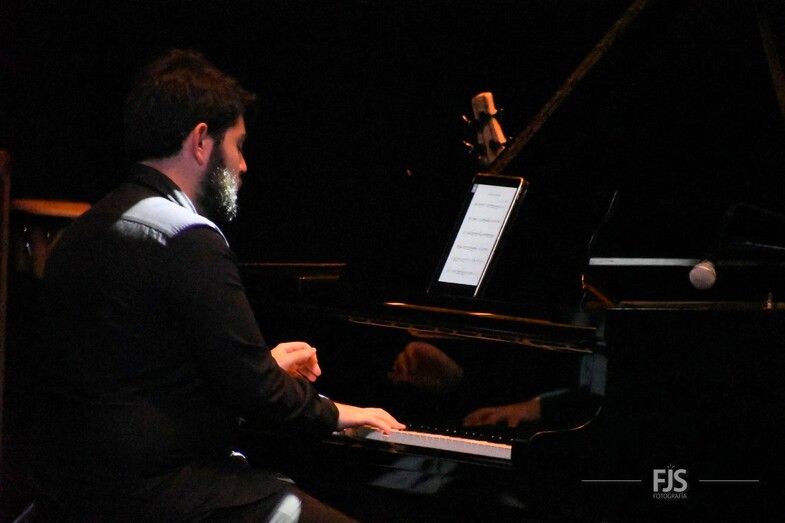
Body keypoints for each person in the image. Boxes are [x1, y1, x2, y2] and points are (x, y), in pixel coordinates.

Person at [29, 48, 404, 522]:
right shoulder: (187, 237)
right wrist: (338, 412)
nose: (243, 165)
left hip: (78, 490)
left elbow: (144, 373)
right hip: (163, 491)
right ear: (202, 141)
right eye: (238, 145)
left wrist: (262, 365)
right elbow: (261, 396)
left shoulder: (86, 230)